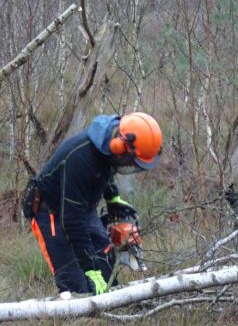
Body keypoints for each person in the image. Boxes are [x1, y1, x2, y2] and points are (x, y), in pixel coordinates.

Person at [22, 112, 162, 296]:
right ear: (119, 146)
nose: (130, 166)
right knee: (77, 288)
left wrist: (113, 198)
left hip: (82, 206)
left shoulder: (108, 146)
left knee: (107, 272)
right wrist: (90, 269)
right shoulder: (80, 158)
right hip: (51, 213)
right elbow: (72, 220)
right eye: (131, 162)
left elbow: (105, 169)